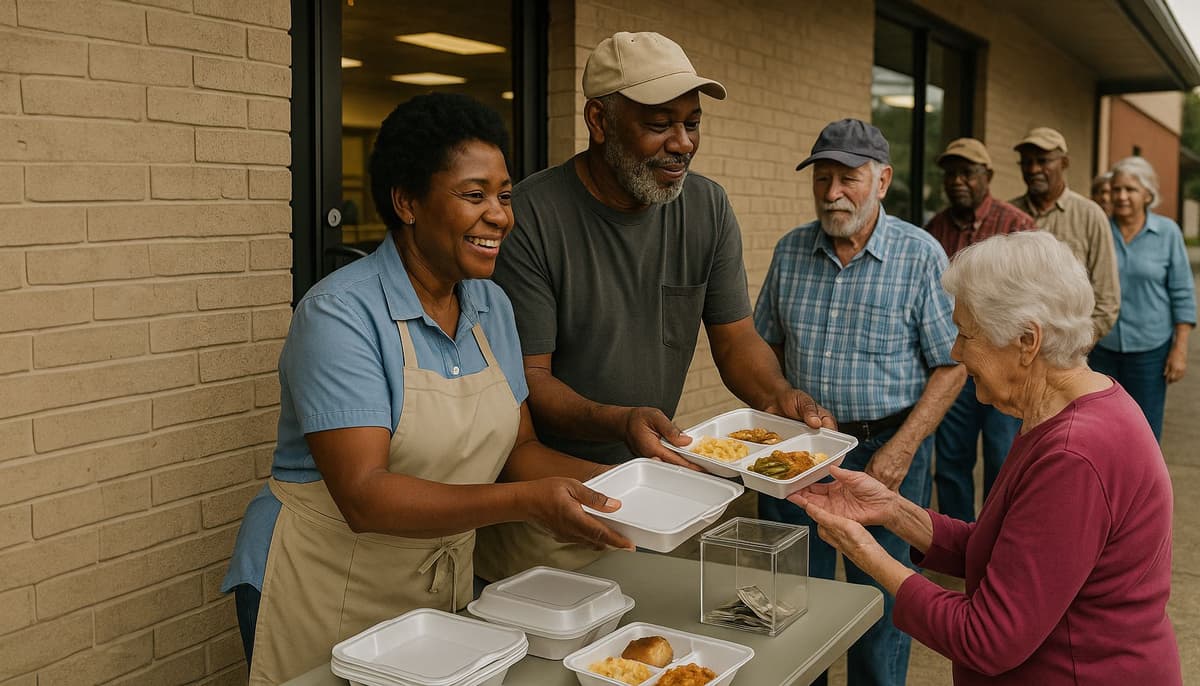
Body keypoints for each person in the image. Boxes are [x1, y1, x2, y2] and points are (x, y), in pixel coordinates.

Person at [221, 94, 633, 685]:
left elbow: (518, 450)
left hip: (432, 595)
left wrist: (624, 490)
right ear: (407, 202)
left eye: (505, 195)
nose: (500, 215)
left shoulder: (491, 303)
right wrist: (529, 502)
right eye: (474, 195)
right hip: (324, 586)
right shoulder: (341, 315)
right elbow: (365, 496)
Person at [474, 31, 833, 582]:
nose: (683, 142)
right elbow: (530, 381)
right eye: (660, 124)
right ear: (599, 121)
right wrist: (621, 421)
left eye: (692, 123)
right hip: (552, 498)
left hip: (663, 491)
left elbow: (736, 338)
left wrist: (777, 396)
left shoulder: (707, 207)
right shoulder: (532, 218)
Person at [790, 231, 1181, 685]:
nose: (954, 351)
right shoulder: (1073, 410)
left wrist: (864, 551)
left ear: (1026, 341)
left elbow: (988, 638)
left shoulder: (1075, 454)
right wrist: (892, 510)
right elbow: (1008, 550)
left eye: (966, 333)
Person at [754, 118, 966, 686]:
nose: (831, 193)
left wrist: (903, 448)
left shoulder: (921, 255)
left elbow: (952, 364)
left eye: (847, 178)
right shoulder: (791, 249)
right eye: (822, 178)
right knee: (794, 597)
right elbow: (763, 348)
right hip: (799, 453)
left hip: (886, 451)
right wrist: (780, 401)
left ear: (882, 180)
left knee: (884, 599)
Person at [924, 138, 1035, 522]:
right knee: (952, 459)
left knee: (1003, 457)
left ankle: (998, 538)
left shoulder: (1016, 226)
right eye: (950, 173)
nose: (957, 181)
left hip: (1004, 365)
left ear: (986, 176)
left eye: (967, 172)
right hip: (954, 361)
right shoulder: (934, 229)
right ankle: (960, 544)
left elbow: (1035, 297)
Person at [1089, 156, 1196, 441]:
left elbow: (1182, 291)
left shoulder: (1167, 232)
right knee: (1100, 426)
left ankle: (1143, 485)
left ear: (1148, 194)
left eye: (1130, 190)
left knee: (1143, 430)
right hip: (1101, 346)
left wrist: (1180, 348)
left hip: (1150, 350)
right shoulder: (1099, 228)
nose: (1121, 196)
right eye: (1116, 189)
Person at [1010, 127, 1120, 340]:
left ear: (1065, 163)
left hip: (1071, 346)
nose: (1033, 169)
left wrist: (1080, 344)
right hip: (1015, 344)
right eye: (1026, 162)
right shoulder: (1009, 216)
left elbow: (1107, 298)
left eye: (1043, 161)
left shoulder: (1090, 215)